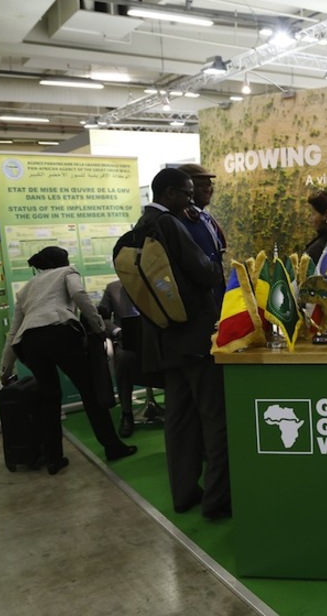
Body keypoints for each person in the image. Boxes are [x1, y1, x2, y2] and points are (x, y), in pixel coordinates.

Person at [133, 168, 230, 519]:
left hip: (165, 340)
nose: (192, 199)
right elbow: (204, 272)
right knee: (214, 419)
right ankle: (218, 501)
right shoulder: (171, 225)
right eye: (187, 192)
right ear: (171, 193)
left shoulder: (139, 227)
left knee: (178, 422)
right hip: (196, 337)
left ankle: (184, 493)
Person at [0, 246, 137, 475]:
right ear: (63, 261)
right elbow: (80, 295)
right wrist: (99, 327)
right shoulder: (66, 272)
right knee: (90, 393)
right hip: (60, 334)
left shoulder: (26, 290)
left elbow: (14, 332)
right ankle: (113, 447)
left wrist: (5, 368)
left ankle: (53, 459)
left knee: (49, 398)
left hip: (30, 343)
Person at [97, 280, 163, 438]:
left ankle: (178, 408)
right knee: (124, 359)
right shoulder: (112, 288)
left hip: (156, 339)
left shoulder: (155, 282)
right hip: (127, 342)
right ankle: (127, 413)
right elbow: (101, 318)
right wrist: (117, 331)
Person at [177, 163, 226, 306]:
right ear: (188, 189)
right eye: (201, 185)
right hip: (198, 299)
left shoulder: (204, 217)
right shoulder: (182, 219)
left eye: (209, 184)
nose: (208, 189)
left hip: (215, 293)